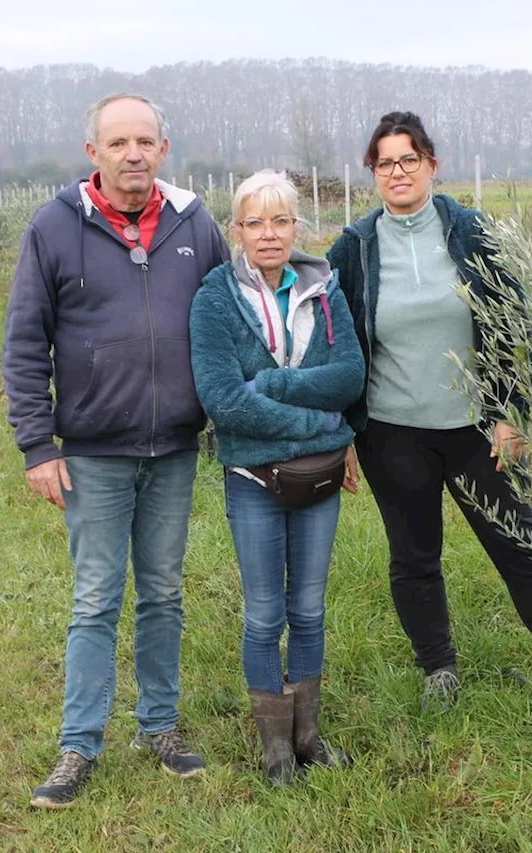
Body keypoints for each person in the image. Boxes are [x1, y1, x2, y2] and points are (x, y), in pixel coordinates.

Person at [327, 111, 532, 712]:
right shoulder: (354, 248)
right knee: (414, 556)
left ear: (432, 165)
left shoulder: (473, 233)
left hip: (476, 431)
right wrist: (339, 430)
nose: (398, 172)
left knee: (519, 544)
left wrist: (511, 410)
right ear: (373, 174)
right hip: (392, 433)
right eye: (385, 162)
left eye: (409, 159)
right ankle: (437, 667)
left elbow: (515, 328)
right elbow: (332, 340)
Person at [3, 93, 229, 809]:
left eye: (145, 141)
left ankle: (160, 727)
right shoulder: (54, 227)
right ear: (91, 150)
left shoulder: (197, 225)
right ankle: (78, 745)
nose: (133, 153)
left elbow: (232, 318)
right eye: (118, 141)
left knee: (163, 591)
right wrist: (38, 443)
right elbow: (23, 342)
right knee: (96, 597)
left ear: (165, 147)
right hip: (93, 451)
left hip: (174, 450)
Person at [190, 170, 364, 784]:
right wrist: (321, 426)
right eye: (256, 222)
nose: (270, 234)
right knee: (265, 614)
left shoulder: (325, 289)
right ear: (236, 230)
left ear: (297, 226)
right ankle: (274, 747)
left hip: (316, 479)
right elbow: (222, 401)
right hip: (253, 478)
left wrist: (271, 384)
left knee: (310, 610)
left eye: (281, 220)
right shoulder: (215, 297)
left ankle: (309, 734)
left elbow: (348, 376)